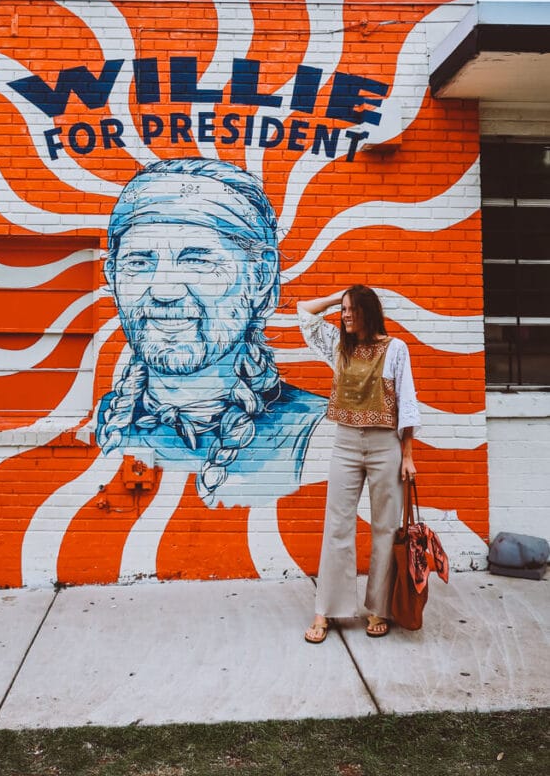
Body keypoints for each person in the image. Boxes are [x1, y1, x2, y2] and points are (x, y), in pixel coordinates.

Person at [95, 157, 327, 508]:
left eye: (197, 260)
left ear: (260, 277)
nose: (165, 290)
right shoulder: (107, 416)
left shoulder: (316, 433)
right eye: (139, 262)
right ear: (112, 275)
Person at [298, 286, 419, 641]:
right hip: (346, 442)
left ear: (369, 311)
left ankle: (378, 608)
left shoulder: (396, 349)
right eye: (344, 310)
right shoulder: (339, 344)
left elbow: (407, 401)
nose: (345, 315)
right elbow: (305, 311)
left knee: (385, 528)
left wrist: (408, 456)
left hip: (386, 444)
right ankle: (326, 610)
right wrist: (339, 296)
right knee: (337, 524)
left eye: (352, 310)